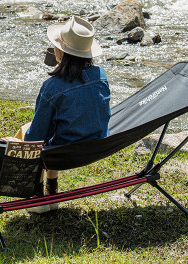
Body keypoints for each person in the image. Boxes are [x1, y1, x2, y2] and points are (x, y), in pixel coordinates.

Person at [7, 16, 111, 213]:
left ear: (61, 51)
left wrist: (16, 143)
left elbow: (36, 137)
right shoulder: (101, 76)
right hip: (97, 144)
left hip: (63, 153)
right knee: (57, 130)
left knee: (27, 132)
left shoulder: (52, 87)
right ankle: (52, 189)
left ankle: (38, 198)